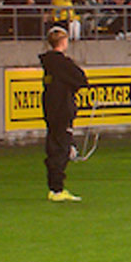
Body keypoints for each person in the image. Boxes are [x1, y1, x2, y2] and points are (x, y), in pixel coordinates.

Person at [41, 25, 88, 201]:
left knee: (54, 146)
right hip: (62, 110)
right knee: (61, 149)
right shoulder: (63, 63)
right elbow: (81, 79)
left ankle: (54, 187)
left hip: (50, 109)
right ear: (63, 41)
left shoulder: (49, 63)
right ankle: (57, 188)